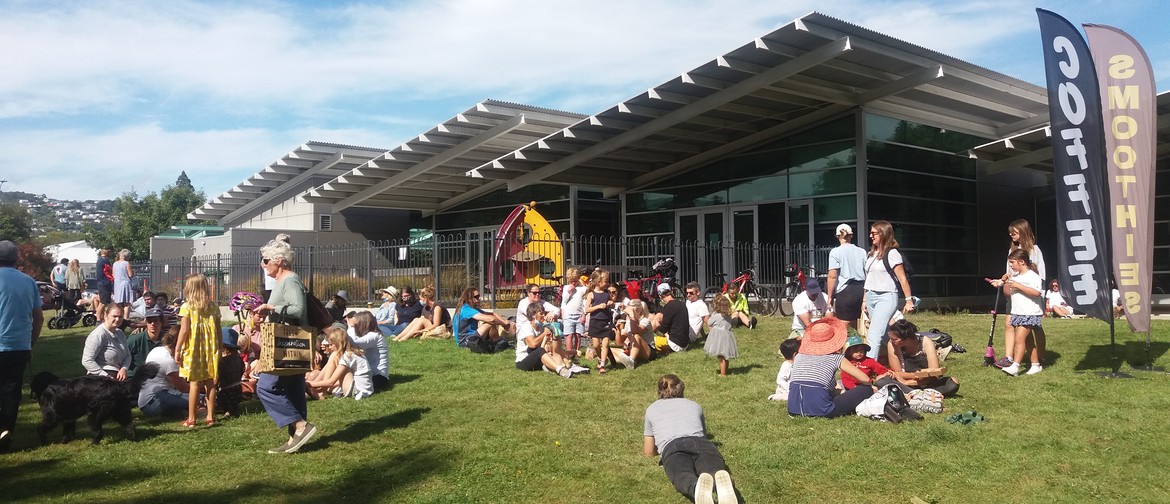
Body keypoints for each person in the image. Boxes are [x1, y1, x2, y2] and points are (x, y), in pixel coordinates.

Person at [253, 239, 318, 454]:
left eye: (265, 260)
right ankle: (295, 439)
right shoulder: (282, 281)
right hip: (289, 344)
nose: (263, 265)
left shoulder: (290, 280)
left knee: (265, 387)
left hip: (287, 344)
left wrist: (271, 306)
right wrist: (267, 314)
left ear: (279, 261)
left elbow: (298, 310)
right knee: (292, 389)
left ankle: (300, 426)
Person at [643, 374, 740, 504]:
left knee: (682, 474)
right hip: (701, 443)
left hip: (672, 447)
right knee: (712, 468)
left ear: (659, 391)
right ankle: (719, 481)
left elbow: (649, 452)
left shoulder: (651, 409)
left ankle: (696, 488)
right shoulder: (695, 405)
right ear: (682, 389)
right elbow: (703, 433)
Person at [0, 240, 43, 451]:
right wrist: (30, 344)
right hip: (18, 346)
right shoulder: (29, 282)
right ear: (16, 259)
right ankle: (6, 429)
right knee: (11, 390)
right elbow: (39, 318)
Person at [788, 317, 876, 418]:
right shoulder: (836, 358)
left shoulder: (799, 356)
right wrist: (870, 385)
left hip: (793, 408)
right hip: (822, 410)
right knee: (866, 389)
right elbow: (864, 379)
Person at [994, 219, 1048, 368]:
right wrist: (1003, 281)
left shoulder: (1035, 250)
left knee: (1035, 328)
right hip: (1014, 294)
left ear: (1023, 232)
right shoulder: (1011, 251)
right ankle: (1009, 357)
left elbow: (1041, 275)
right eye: (1010, 233)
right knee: (1009, 324)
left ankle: (1040, 357)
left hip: (1031, 297)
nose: (1012, 235)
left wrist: (1041, 296)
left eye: (1015, 233)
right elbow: (1008, 272)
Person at [174, 273, 222, 428]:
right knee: (210, 383)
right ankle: (210, 417)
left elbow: (184, 330)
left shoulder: (187, 307)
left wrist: (178, 348)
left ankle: (192, 418)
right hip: (211, 349)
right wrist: (220, 348)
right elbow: (219, 330)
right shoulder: (214, 307)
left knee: (194, 383)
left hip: (194, 349)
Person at [862, 220, 915, 360]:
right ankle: (908, 352)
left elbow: (902, 278)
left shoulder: (892, 253)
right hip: (871, 296)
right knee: (885, 333)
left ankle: (868, 367)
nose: (870, 236)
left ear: (883, 233)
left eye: (874, 233)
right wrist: (865, 299)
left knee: (874, 334)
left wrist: (909, 301)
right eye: (870, 233)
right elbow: (868, 279)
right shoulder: (871, 254)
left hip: (886, 297)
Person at [996, 249, 1045, 376]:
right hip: (1018, 313)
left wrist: (1019, 286)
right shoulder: (1016, 277)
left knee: (1019, 339)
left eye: (1012, 262)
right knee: (1028, 341)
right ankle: (1035, 364)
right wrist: (1006, 282)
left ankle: (1015, 366)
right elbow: (1008, 293)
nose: (1010, 265)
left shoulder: (1032, 276)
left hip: (1030, 313)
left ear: (1022, 262)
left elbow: (1037, 293)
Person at [885, 319, 961, 395]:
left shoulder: (925, 341)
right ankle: (923, 393)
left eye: (895, 339)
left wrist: (910, 381)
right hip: (903, 382)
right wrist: (916, 375)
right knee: (882, 381)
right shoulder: (892, 344)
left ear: (907, 340)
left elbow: (935, 372)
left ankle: (915, 393)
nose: (891, 340)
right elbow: (898, 373)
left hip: (927, 381)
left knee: (953, 382)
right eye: (890, 337)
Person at [308, 327, 373, 400]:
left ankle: (321, 390)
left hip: (357, 390)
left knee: (334, 355)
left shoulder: (348, 356)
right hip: (360, 387)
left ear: (338, 343)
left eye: (330, 345)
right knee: (334, 356)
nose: (329, 347)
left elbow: (331, 382)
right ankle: (319, 388)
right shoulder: (351, 352)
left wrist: (310, 384)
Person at [138, 327, 190, 418]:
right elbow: (183, 388)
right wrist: (204, 388)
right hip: (155, 400)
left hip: (145, 402)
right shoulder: (168, 360)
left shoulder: (157, 350)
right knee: (196, 398)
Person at [515, 304, 574, 378]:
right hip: (523, 361)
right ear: (533, 315)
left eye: (544, 313)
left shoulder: (541, 326)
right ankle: (560, 369)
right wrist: (545, 333)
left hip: (537, 359)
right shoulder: (526, 327)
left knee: (551, 349)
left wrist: (552, 324)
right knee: (539, 350)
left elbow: (552, 342)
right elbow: (532, 344)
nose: (544, 315)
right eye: (541, 313)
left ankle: (564, 365)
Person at [825, 223, 867, 328]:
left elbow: (832, 276)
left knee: (843, 328)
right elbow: (867, 274)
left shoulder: (835, 252)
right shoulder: (862, 251)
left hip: (845, 291)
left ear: (837, 236)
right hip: (860, 289)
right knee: (857, 326)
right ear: (851, 236)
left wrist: (830, 296)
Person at [82, 305, 132, 380]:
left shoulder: (120, 333)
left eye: (120, 316)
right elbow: (87, 360)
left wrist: (124, 368)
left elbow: (128, 355)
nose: (117, 319)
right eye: (114, 316)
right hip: (99, 378)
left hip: (119, 375)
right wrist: (106, 376)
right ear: (105, 315)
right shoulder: (98, 335)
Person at [347, 311, 390, 390]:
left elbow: (354, 343)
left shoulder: (375, 336)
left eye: (356, 324)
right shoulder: (369, 335)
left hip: (378, 377)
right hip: (369, 374)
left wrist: (351, 327)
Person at [583, 269, 614, 375]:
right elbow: (587, 310)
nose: (607, 283)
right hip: (595, 321)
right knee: (596, 345)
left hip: (605, 321)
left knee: (605, 343)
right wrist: (598, 307)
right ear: (598, 282)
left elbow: (612, 302)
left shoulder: (607, 293)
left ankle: (602, 365)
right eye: (605, 281)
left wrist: (610, 303)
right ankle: (601, 358)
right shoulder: (591, 294)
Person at [610, 296, 653, 369]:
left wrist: (632, 316)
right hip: (633, 350)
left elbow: (635, 331)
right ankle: (626, 361)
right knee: (609, 350)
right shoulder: (628, 322)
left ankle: (631, 360)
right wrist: (618, 330)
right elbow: (619, 343)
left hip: (647, 351)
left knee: (635, 336)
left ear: (638, 310)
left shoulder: (645, 321)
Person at [703, 295, 739, 377]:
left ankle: (723, 374)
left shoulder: (716, 316)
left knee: (721, 356)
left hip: (719, 338)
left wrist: (712, 314)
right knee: (725, 356)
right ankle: (726, 369)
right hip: (727, 337)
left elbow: (709, 323)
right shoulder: (728, 316)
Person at [652, 283, 691, 354]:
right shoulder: (682, 304)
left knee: (650, 341)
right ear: (671, 291)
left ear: (660, 296)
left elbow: (663, 330)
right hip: (685, 343)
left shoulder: (669, 306)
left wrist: (655, 330)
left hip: (676, 344)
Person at [127, 306, 165, 377]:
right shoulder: (134, 340)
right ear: (146, 323)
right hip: (136, 378)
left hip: (160, 377)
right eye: (150, 321)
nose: (153, 324)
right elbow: (123, 359)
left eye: (156, 320)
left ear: (161, 322)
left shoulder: (167, 340)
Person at [560, 267, 587, 358]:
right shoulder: (566, 288)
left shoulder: (582, 288)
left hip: (579, 314)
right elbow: (564, 300)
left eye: (575, 281)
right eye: (571, 281)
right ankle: (569, 352)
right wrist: (569, 291)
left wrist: (584, 314)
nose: (573, 283)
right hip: (568, 314)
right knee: (569, 335)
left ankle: (577, 351)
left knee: (578, 335)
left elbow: (585, 302)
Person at [218, 329, 245, 417]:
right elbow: (242, 370)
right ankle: (232, 409)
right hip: (237, 390)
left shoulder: (222, 361)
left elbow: (218, 377)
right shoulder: (238, 358)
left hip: (225, 391)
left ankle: (225, 410)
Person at [263, 233, 291, 302]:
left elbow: (297, 309)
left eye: (286, 242)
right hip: (271, 284)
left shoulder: (290, 280)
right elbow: (263, 264)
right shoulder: (271, 253)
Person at [94, 247, 114, 320]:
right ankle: (98, 318)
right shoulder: (104, 260)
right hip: (104, 283)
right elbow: (108, 271)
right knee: (103, 303)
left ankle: (101, 317)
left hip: (101, 283)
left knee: (104, 302)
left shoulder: (99, 260)